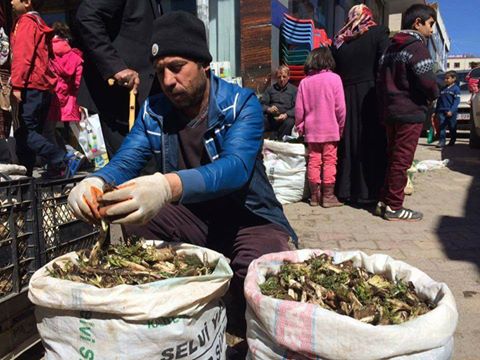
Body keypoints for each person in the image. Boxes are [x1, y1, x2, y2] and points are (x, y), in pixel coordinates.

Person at [68, 11, 296, 337]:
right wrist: (95, 181)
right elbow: (127, 160)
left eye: (177, 68)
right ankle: (177, 309)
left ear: (203, 63)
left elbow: (235, 169)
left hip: (249, 219)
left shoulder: (240, 104)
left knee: (262, 273)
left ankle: (244, 326)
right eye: (160, 72)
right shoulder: (155, 111)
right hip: (197, 221)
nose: (169, 81)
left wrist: (167, 185)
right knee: (134, 214)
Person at [74, 0, 162, 163]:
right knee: (133, 170)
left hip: (148, 95)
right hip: (121, 99)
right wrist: (116, 67)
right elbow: (87, 17)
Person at [376, 4, 439, 221]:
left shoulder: (390, 48)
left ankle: (384, 201)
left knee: (393, 157)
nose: (431, 31)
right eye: (430, 25)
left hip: (390, 111)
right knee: (402, 160)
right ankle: (394, 207)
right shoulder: (417, 47)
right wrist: (434, 93)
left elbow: (380, 80)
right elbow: (428, 81)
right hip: (409, 112)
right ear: (417, 23)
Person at [10, 0, 83, 178]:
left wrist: (17, 84)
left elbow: (23, 55)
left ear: (27, 3)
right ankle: (33, 177)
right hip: (43, 87)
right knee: (36, 132)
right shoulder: (40, 23)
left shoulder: (26, 22)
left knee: (24, 133)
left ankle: (62, 158)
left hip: (30, 85)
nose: (11, 2)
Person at [332, 4, 390, 204]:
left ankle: (346, 190)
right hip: (370, 93)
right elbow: (384, 64)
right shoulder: (378, 32)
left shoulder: (340, 41)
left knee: (347, 141)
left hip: (345, 94)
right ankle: (370, 191)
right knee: (370, 139)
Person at [295, 47, 346, 207]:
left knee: (314, 160)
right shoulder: (335, 79)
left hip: (312, 130)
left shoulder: (304, 82)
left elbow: (299, 109)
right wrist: (341, 127)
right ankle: (328, 196)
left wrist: (300, 125)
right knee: (330, 161)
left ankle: (314, 196)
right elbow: (341, 108)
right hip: (331, 129)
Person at [44, 22, 83, 149]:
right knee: (75, 131)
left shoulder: (46, 53)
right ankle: (73, 155)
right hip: (68, 97)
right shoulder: (75, 56)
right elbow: (78, 83)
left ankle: (59, 160)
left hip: (51, 95)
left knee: (48, 130)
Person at [260, 65, 297, 140]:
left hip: (285, 118)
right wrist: (268, 109)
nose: (281, 79)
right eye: (279, 77)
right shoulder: (270, 90)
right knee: (260, 119)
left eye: (284, 76)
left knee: (290, 122)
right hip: (272, 118)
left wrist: (286, 114)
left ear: (288, 77)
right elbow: (262, 104)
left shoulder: (294, 90)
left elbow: (297, 107)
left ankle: (280, 141)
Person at [435, 70, 460, 148]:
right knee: (442, 127)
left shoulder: (456, 89)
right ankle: (442, 142)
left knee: (452, 126)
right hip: (442, 111)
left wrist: (451, 110)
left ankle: (452, 140)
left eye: (447, 78)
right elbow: (439, 100)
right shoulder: (443, 89)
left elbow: (457, 101)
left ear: (453, 79)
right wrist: (436, 111)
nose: (445, 80)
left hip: (451, 112)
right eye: (445, 78)